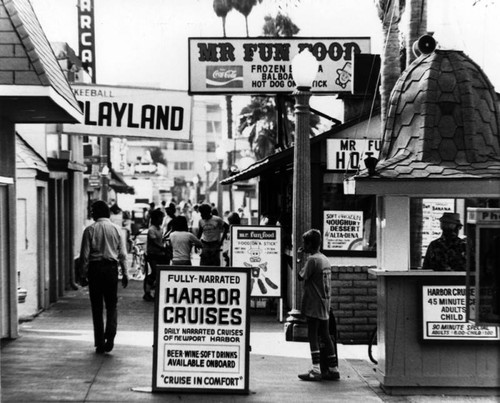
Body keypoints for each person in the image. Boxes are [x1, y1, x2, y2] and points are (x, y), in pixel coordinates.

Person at [79, 200, 129, 354]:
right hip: (111, 270)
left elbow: (84, 256)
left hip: (95, 270)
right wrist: (125, 273)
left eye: (93, 211)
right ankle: (111, 334)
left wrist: (82, 274)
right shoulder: (116, 229)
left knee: (97, 307)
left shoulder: (90, 230)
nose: (91, 213)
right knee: (111, 305)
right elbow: (122, 254)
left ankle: (100, 341)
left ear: (98, 212)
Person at [297, 229, 339, 381]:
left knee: (312, 334)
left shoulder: (312, 260)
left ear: (309, 244)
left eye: (304, 243)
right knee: (326, 335)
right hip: (325, 301)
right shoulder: (325, 259)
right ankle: (334, 368)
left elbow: (300, 276)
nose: (303, 245)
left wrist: (299, 258)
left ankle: (316, 369)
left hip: (313, 303)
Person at [143, 209, 168, 301]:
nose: (161, 220)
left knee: (159, 274)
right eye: (160, 218)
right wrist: (163, 248)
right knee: (154, 273)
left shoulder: (160, 229)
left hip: (160, 254)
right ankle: (147, 292)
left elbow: (161, 241)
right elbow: (154, 243)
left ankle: (156, 292)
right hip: (153, 255)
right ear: (155, 218)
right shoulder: (151, 229)